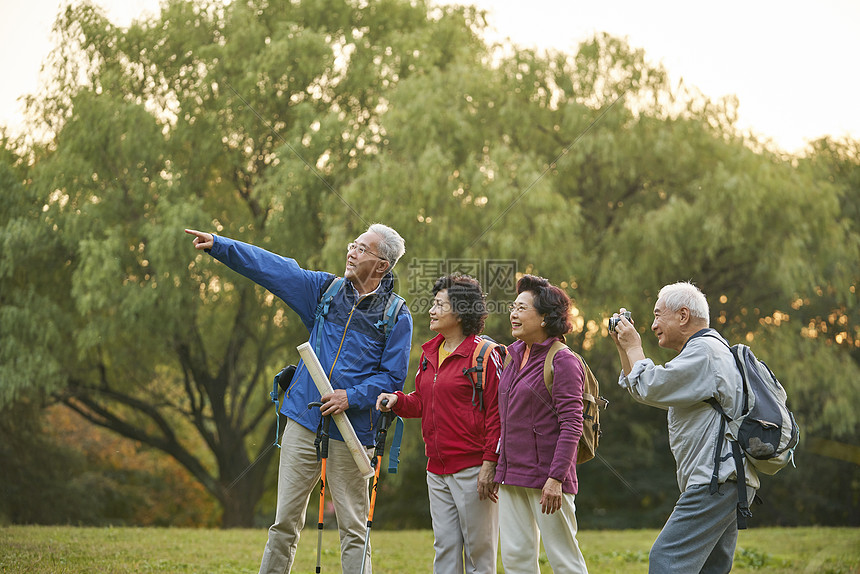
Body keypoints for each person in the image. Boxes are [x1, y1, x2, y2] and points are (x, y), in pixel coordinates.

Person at [185, 224, 413, 574]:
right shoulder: (325, 290)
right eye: (353, 244)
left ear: (382, 265)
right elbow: (274, 268)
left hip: (353, 434)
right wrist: (220, 245)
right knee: (284, 524)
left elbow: (391, 378)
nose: (351, 251)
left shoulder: (397, 315)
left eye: (362, 249)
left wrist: (350, 397)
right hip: (304, 423)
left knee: (354, 530)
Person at [610, 281, 759, 574]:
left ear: (682, 316)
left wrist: (634, 346)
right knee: (710, 569)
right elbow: (642, 390)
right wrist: (623, 348)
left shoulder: (704, 353)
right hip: (726, 481)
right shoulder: (708, 350)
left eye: (657, 315)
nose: (652, 325)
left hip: (714, 481)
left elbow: (650, 384)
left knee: (667, 559)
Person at [377, 273, 502, 574]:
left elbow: (499, 414)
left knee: (478, 555)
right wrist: (398, 400)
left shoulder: (483, 355)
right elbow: (423, 402)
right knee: (445, 549)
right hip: (436, 469)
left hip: (473, 470)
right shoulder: (430, 352)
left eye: (438, 304)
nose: (431, 310)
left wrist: (490, 463)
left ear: (459, 312)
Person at [492, 274, 589, 574]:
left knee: (564, 561)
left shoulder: (563, 361)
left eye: (522, 308)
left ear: (545, 318)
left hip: (549, 480)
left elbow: (573, 423)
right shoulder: (511, 354)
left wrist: (556, 478)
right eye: (513, 306)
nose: (514, 313)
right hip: (511, 475)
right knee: (516, 559)